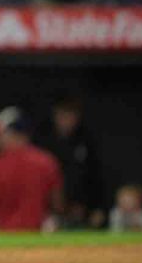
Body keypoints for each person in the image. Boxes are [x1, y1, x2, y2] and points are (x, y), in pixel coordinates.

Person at [0, 106, 64, 231]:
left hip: (1, 237)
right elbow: (58, 205)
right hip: (39, 238)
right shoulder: (47, 161)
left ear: (15, 133)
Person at [36, 94, 105, 229]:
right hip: (49, 211)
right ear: (55, 115)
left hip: (80, 210)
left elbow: (94, 177)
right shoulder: (43, 142)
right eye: (63, 115)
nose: (67, 121)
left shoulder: (86, 141)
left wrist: (95, 207)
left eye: (71, 116)